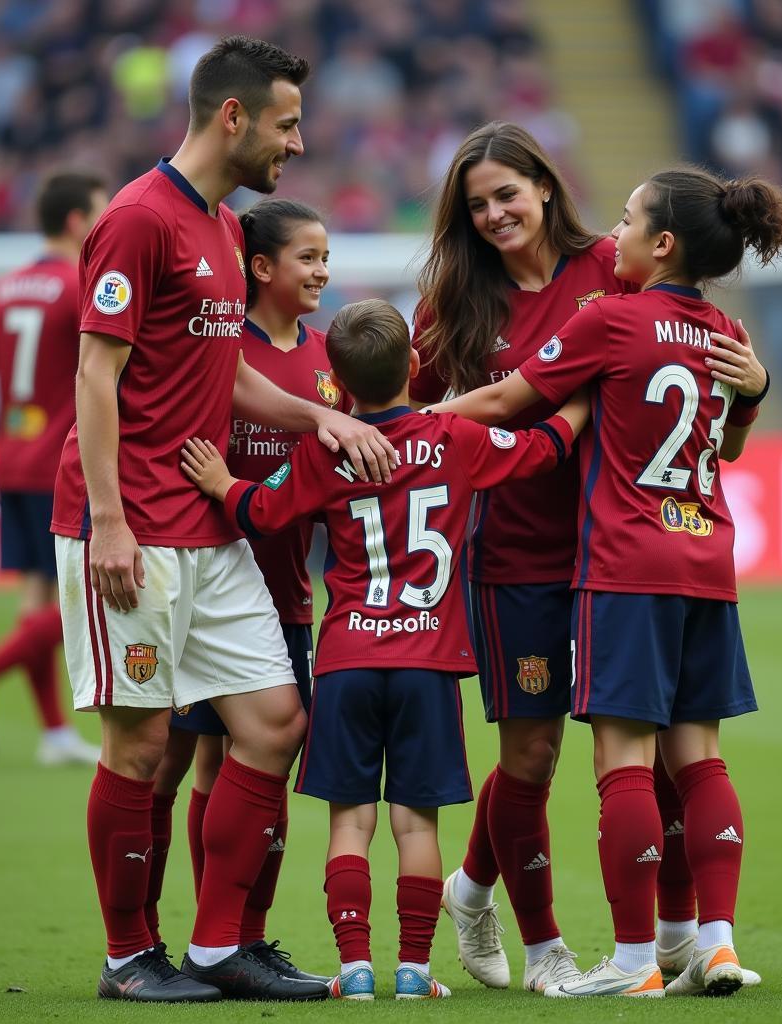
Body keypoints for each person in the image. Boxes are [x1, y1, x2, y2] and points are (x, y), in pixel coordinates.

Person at [50, 36, 397, 1004]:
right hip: (130, 527)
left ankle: (215, 948)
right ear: (233, 117)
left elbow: (227, 374)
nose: (296, 143)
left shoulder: (217, 228)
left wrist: (323, 412)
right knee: (142, 746)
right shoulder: (136, 219)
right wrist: (111, 520)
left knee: (275, 720)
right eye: (286, 124)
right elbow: (95, 373)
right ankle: (129, 956)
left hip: (209, 533)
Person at [424, 168, 782, 997]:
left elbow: (505, 399)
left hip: (622, 564)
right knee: (691, 760)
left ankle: (637, 960)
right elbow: (728, 446)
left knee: (625, 762)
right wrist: (753, 395)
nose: (612, 235)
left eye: (627, 221)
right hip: (700, 560)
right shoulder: (722, 328)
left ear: (660, 243)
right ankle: (714, 941)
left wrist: (407, 428)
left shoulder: (611, 312)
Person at [179, 298, 588, 1000]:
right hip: (430, 664)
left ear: (334, 387)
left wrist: (220, 481)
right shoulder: (453, 437)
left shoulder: (326, 447)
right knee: (413, 820)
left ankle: (355, 968)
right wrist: (582, 398)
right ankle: (416, 970)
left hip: (346, 661)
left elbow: (260, 510)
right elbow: (543, 449)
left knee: (351, 819)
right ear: (416, 365)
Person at [411, 120, 635, 993]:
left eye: (507, 194)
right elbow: (408, 408)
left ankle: (469, 887)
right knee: (531, 757)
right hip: (513, 557)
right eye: (478, 205)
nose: (496, 214)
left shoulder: (610, 268)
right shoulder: (456, 303)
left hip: (618, 552)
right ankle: (544, 945)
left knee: (623, 754)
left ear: (545, 186)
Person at [144, 198, 343, 986]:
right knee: (180, 768)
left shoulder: (330, 360)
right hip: (206, 592)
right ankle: (169, 938)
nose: (322, 270)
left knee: (261, 762)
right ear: (260, 268)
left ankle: (242, 939)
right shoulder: (221, 353)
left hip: (289, 599)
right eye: (308, 257)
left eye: (326, 256)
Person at [0, 171, 108, 766]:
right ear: (75, 222)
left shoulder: (6, 287)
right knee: (80, 598)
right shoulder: (81, 285)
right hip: (60, 464)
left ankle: (54, 733)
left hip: (10, 460)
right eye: (100, 210)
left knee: (37, 596)